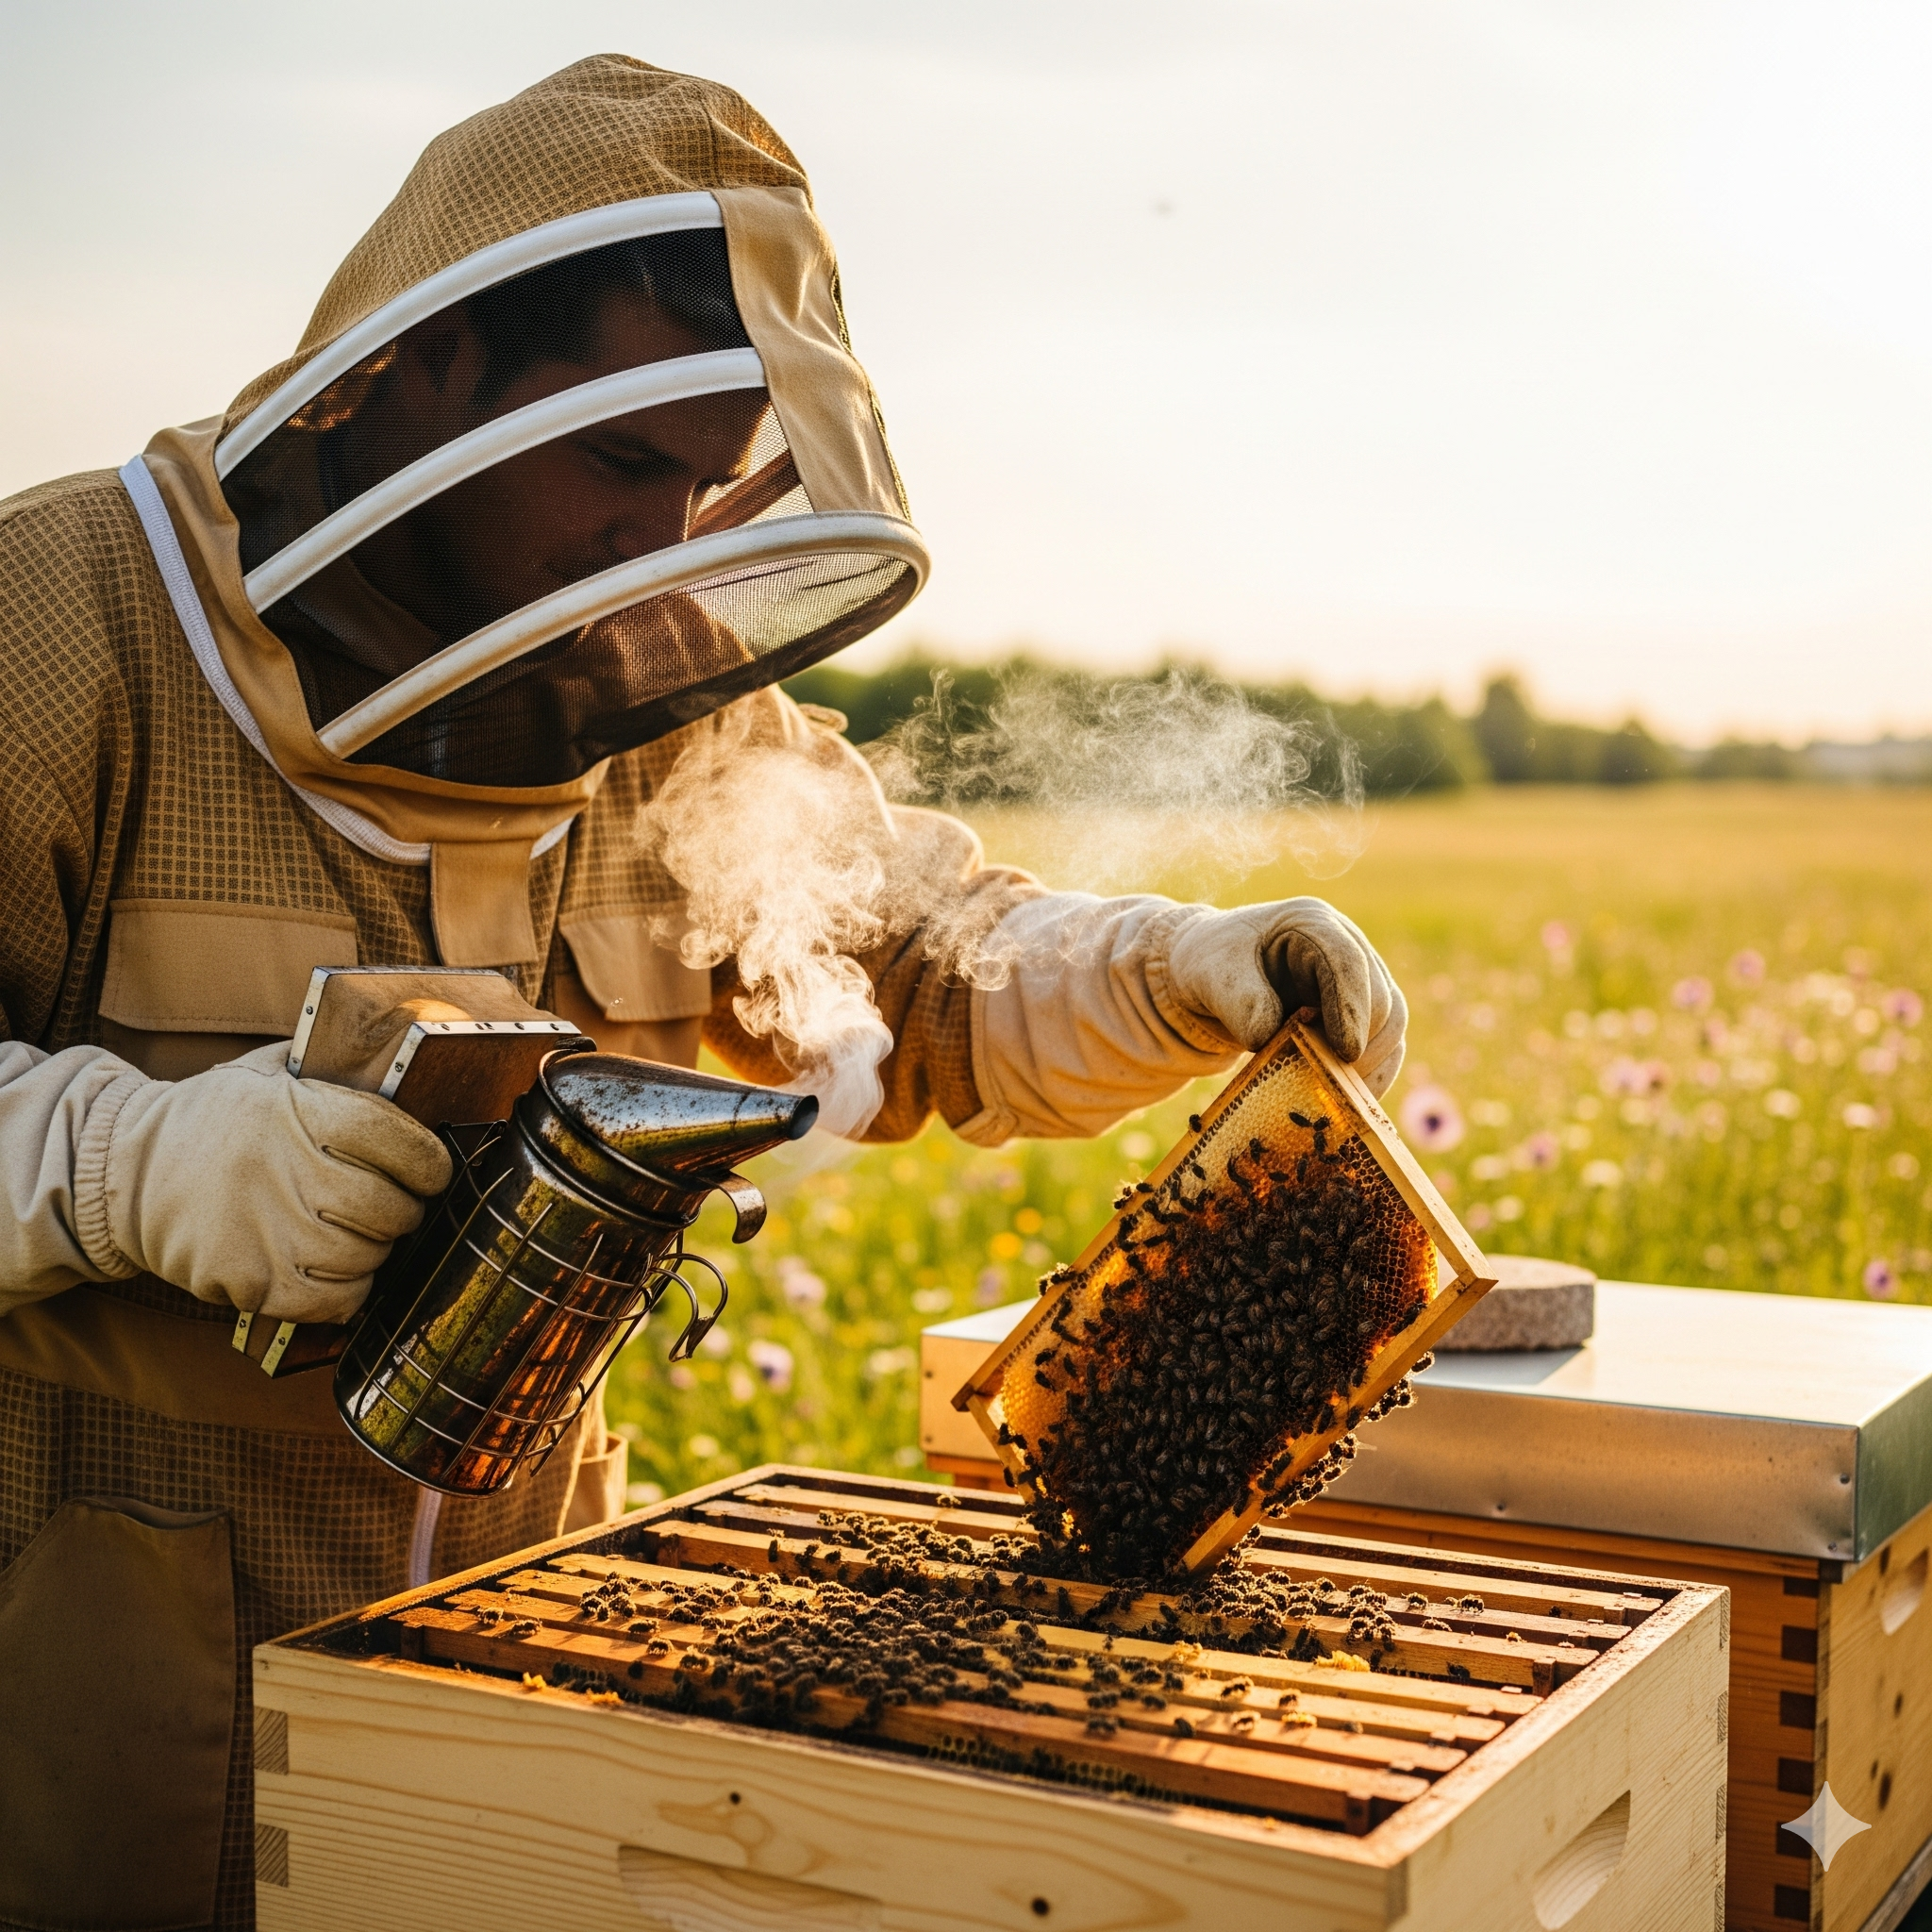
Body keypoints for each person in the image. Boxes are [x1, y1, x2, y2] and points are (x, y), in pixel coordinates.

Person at [0, 56, 1407, 1928]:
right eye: (616, 464)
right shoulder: (67, 626)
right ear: (421, 377)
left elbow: (910, 970)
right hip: (126, 1726)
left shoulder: (661, 694)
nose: (659, 547)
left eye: (706, 478)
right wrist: (135, 1167)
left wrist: (1171, 967)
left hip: (536, 1667)